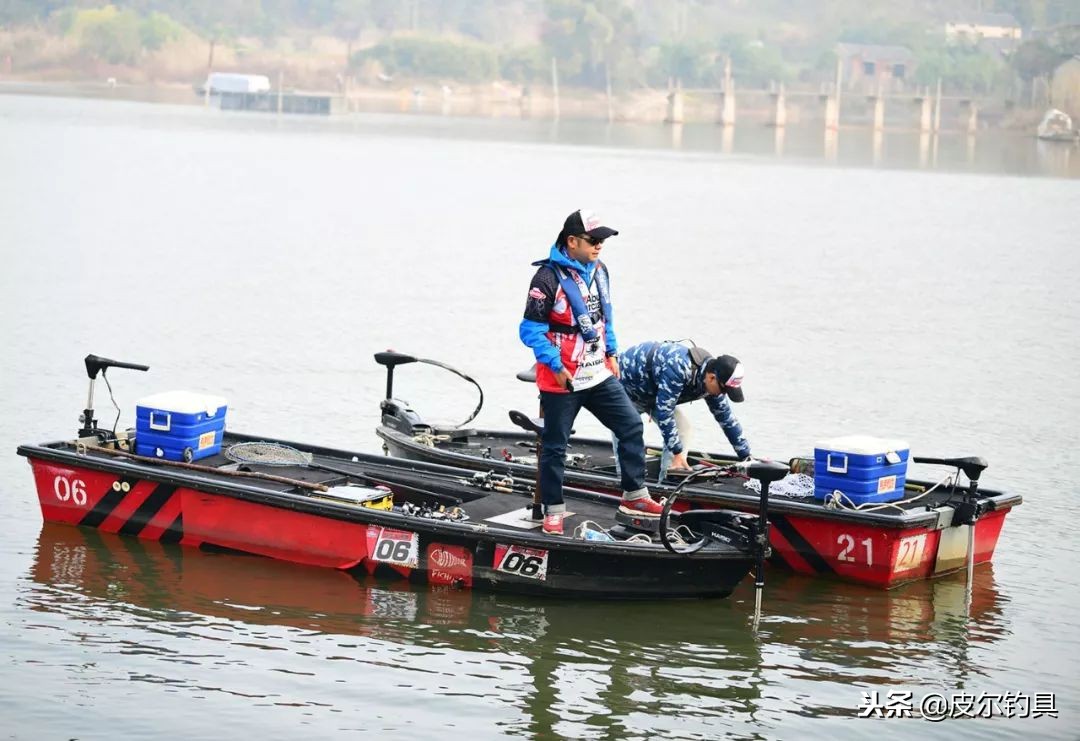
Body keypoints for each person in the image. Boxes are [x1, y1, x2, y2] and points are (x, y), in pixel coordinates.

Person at [519, 209, 662, 535]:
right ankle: (553, 510)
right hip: (562, 377)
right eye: (593, 240)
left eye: (602, 241)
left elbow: (604, 319)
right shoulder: (546, 278)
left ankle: (634, 495)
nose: (599, 246)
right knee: (556, 445)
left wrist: (612, 352)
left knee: (629, 425)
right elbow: (529, 330)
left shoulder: (600, 271)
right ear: (571, 241)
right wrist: (554, 365)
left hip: (597, 373)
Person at [618, 341, 751, 481]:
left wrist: (746, 456)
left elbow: (726, 419)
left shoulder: (711, 381)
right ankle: (626, 484)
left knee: (683, 429)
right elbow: (665, 413)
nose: (723, 395)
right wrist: (677, 451)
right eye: (724, 390)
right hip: (624, 384)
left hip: (654, 393)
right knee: (628, 431)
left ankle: (667, 481)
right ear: (712, 378)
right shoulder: (679, 367)